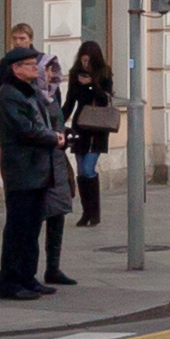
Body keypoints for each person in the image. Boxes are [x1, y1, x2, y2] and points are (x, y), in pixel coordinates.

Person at [0, 32, 65, 303]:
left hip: (37, 169)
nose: (37, 68)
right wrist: (52, 138)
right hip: (21, 170)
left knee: (33, 227)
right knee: (18, 228)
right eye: (31, 65)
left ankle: (27, 277)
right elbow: (25, 130)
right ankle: (10, 282)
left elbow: (41, 122)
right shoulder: (9, 95)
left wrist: (52, 134)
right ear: (16, 69)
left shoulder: (29, 92)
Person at [59, 35, 117, 268]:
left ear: (95, 60)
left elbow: (106, 99)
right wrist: (59, 121)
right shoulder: (74, 75)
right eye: (82, 61)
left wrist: (92, 84)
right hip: (81, 126)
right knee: (81, 169)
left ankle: (95, 212)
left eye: (87, 61)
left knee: (87, 167)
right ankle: (86, 213)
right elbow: (70, 102)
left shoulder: (104, 74)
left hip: (98, 128)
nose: (84, 65)